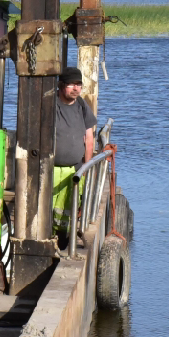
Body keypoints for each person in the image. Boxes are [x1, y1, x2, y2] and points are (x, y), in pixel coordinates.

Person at [51, 66, 96, 241]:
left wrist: (87, 166)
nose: (76, 89)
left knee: (70, 208)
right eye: (71, 85)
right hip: (52, 169)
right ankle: (51, 235)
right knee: (50, 208)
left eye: (79, 85)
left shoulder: (81, 105)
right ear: (61, 85)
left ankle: (65, 237)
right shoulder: (50, 104)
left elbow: (89, 137)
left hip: (75, 169)